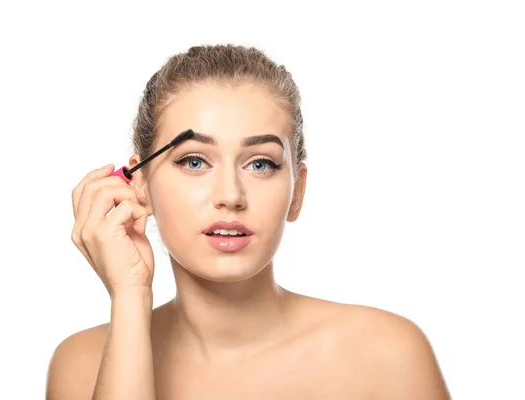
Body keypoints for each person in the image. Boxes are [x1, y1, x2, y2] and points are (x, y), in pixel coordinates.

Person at [46, 44, 451, 399]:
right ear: (141, 186)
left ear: (297, 191)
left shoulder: (386, 355)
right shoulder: (82, 365)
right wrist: (129, 294)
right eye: (194, 161)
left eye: (260, 164)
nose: (230, 196)